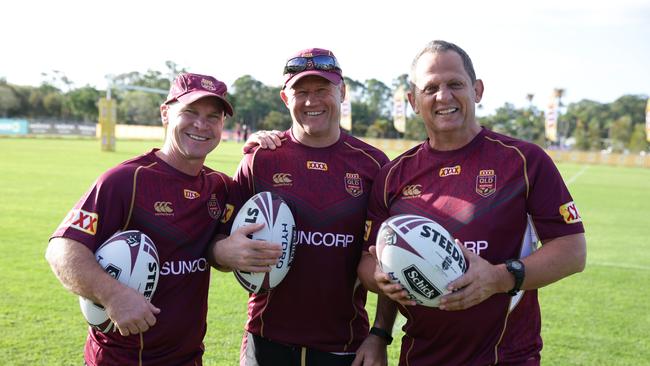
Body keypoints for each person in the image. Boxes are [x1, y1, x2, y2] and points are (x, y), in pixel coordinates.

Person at [357, 40, 587, 365]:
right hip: (419, 356)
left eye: (455, 84)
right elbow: (370, 262)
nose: (444, 97)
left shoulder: (523, 160)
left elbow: (572, 250)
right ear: (412, 100)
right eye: (430, 88)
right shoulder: (392, 176)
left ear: (477, 90)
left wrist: (500, 278)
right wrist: (381, 294)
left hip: (506, 358)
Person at [46, 72, 281, 365]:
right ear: (165, 113)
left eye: (213, 116)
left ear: (223, 124)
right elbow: (62, 248)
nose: (201, 125)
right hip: (119, 360)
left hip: (189, 358)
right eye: (190, 112)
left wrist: (267, 144)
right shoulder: (125, 181)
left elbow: (220, 249)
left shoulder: (220, 187)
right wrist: (113, 295)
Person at [211, 48, 389, 366]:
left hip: (344, 345)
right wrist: (224, 252)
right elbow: (218, 243)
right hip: (265, 342)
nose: (312, 101)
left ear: (342, 91)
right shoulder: (260, 158)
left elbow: (386, 259)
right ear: (284, 98)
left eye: (322, 90)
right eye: (301, 92)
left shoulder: (373, 165)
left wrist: (380, 335)